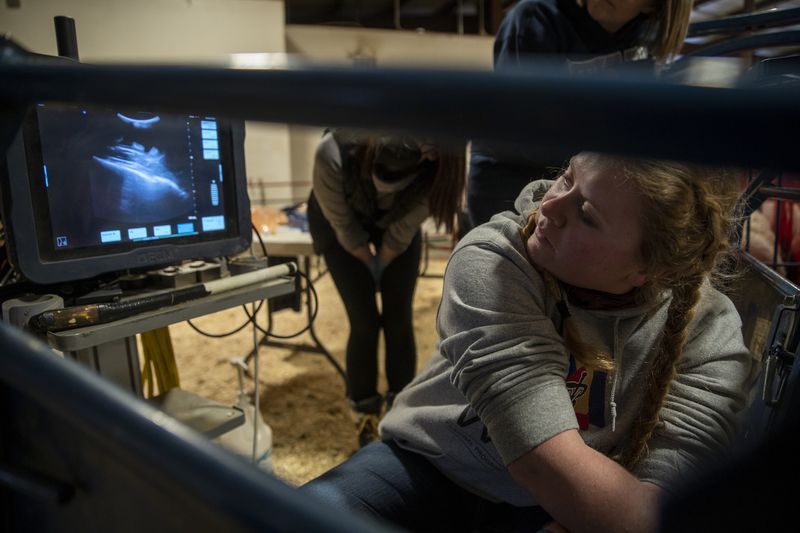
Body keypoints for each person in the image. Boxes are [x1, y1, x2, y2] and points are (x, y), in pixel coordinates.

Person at [301, 151, 757, 532]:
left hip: (567, 502)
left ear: (649, 270)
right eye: (567, 177)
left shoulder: (709, 330)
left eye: (586, 215)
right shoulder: (493, 256)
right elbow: (542, 460)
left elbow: (673, 481)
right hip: (431, 465)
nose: (551, 207)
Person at [467, 0, 693, 229]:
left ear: (653, 5)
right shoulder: (534, 19)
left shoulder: (650, 32)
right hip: (510, 178)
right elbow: (531, 135)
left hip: (580, 183)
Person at [306, 129, 466, 447]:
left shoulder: (440, 169)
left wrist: (385, 260)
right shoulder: (334, 149)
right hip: (339, 224)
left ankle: (399, 411)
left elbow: (402, 231)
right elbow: (343, 226)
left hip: (397, 229)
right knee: (364, 321)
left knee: (398, 319)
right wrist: (366, 260)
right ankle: (364, 412)